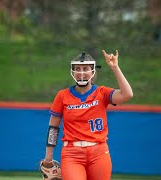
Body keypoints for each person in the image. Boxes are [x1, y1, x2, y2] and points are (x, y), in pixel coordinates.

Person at [40, 50, 133, 180]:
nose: (81, 72)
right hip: (72, 153)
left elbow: (127, 94)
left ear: (93, 71)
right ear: (72, 71)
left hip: (99, 152)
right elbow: (53, 129)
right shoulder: (62, 95)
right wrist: (48, 157)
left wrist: (115, 67)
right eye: (77, 69)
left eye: (85, 69)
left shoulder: (102, 92)